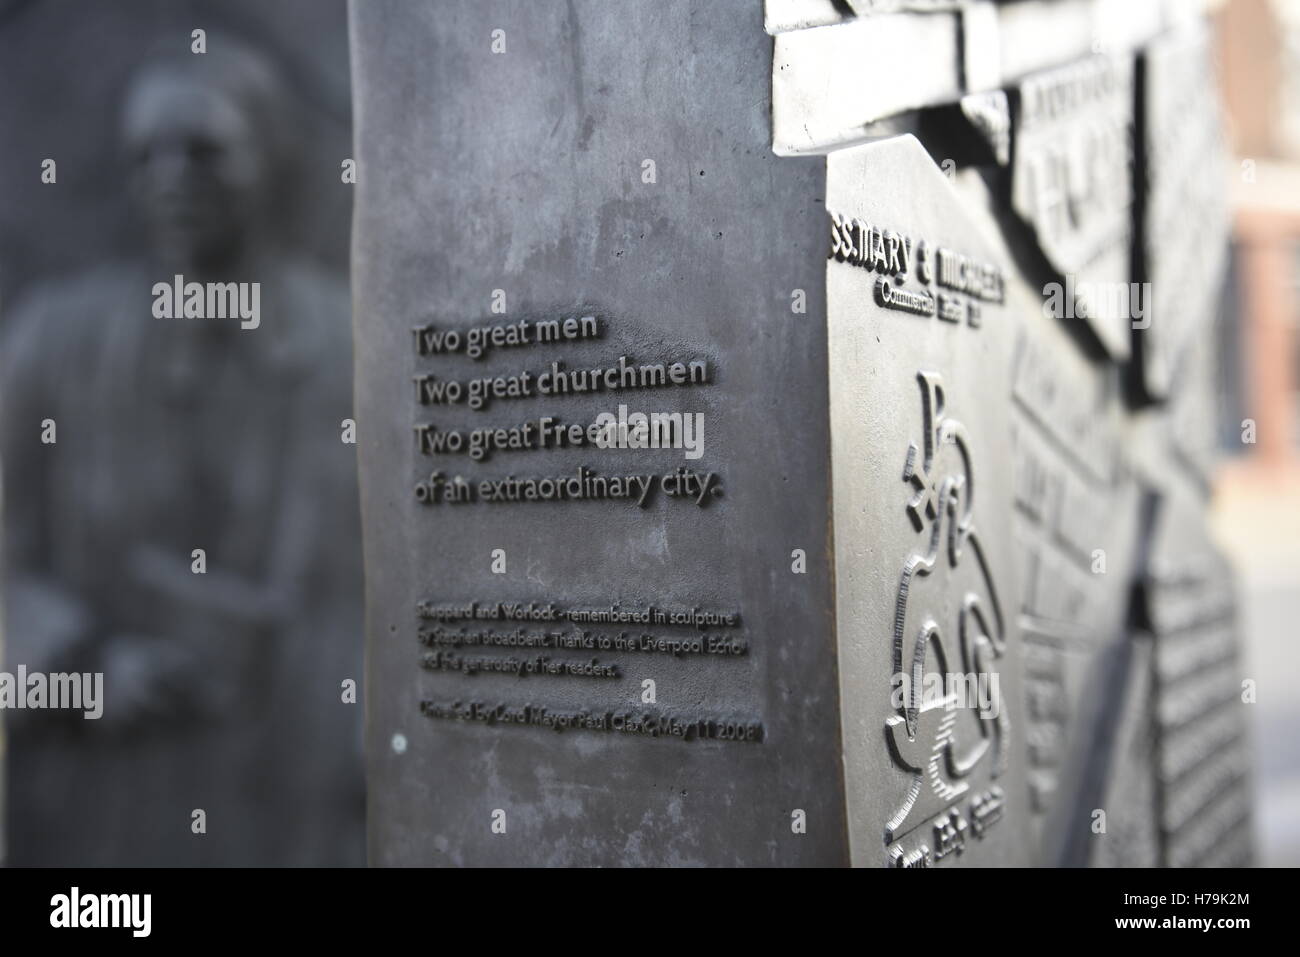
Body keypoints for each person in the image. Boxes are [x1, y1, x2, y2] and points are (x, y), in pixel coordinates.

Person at [0, 36, 363, 865]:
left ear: (267, 157)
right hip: (100, 803)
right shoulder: (50, 340)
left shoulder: (350, 341)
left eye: (205, 150)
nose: (172, 176)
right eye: (147, 154)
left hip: (288, 789)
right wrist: (84, 670)